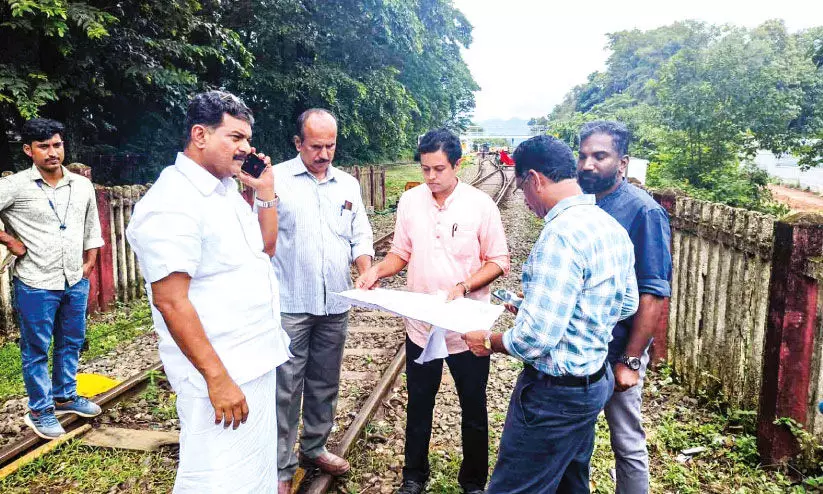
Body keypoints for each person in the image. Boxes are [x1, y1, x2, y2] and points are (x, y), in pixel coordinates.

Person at [126, 91, 291, 493]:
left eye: (247, 139)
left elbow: (266, 249)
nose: (246, 148)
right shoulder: (172, 202)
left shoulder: (225, 190)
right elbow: (170, 301)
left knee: (251, 476)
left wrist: (265, 192)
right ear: (200, 135)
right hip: (220, 374)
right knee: (215, 479)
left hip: (254, 361)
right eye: (235, 137)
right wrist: (217, 380)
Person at [463, 135, 638, 493]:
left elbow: (535, 338)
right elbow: (626, 304)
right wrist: (537, 306)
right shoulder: (610, 226)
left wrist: (488, 341)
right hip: (593, 383)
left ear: (534, 179)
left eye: (521, 189)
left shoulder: (559, 236)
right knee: (570, 483)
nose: (525, 201)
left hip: (554, 397)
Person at [357, 128, 510, 494]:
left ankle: (473, 482)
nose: (430, 177)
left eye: (439, 169)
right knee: (419, 402)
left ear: (457, 164)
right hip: (422, 326)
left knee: (473, 406)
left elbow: (498, 260)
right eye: (425, 169)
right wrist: (377, 271)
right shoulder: (411, 201)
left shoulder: (480, 205)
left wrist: (463, 286)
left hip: (466, 328)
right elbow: (401, 253)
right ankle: (414, 476)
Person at [272, 109, 374, 493]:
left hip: (335, 303)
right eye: (316, 146)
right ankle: (281, 467)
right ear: (298, 143)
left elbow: (360, 234)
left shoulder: (348, 184)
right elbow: (260, 239)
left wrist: (365, 269)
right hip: (290, 303)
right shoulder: (275, 180)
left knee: (325, 382)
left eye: (331, 145)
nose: (325, 154)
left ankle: (314, 447)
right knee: (285, 388)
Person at [577, 121, 672, 494]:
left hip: (618, 346)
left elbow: (653, 293)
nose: (588, 164)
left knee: (626, 438)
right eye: (583, 156)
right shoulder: (584, 204)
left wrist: (630, 360)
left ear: (622, 162)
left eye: (599, 156)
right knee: (575, 436)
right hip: (582, 344)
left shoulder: (643, 211)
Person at [0, 118, 104, 439]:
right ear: (28, 150)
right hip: (35, 281)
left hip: (74, 280)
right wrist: (10, 241)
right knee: (36, 348)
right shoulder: (15, 185)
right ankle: (40, 409)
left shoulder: (81, 185)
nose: (52, 152)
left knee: (71, 341)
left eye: (57, 145)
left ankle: (65, 396)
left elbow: (91, 226)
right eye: (43, 146)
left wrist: (90, 260)